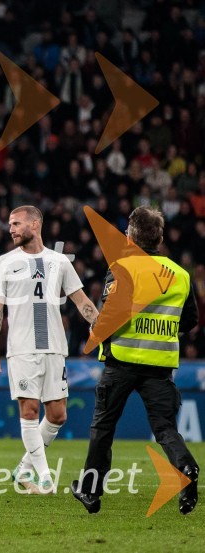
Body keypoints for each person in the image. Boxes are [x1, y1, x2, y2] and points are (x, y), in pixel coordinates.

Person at [72, 206, 199, 515]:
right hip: (159, 365)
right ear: (160, 238)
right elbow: (190, 320)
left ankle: (90, 491)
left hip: (122, 361)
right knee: (165, 427)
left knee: (103, 426)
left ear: (129, 237)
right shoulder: (180, 275)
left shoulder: (122, 268)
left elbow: (111, 314)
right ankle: (186, 468)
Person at [0, 206, 99, 494]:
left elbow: (80, 299)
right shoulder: (5, 262)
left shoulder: (59, 261)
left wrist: (99, 325)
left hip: (55, 347)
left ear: (34, 224)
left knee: (58, 415)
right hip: (22, 348)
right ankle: (45, 477)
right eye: (10, 224)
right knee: (30, 410)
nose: (11, 228)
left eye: (16, 223)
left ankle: (23, 469)